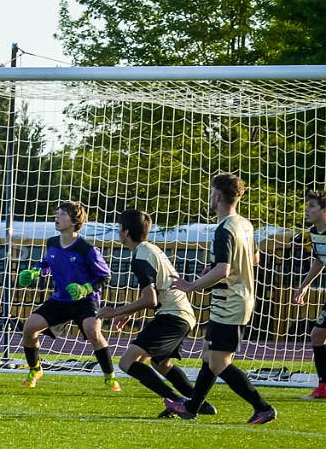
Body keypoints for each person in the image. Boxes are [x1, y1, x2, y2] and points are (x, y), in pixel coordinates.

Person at [164, 174, 276, 424]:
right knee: (207, 355)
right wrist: (215, 267)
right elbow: (254, 259)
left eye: (210, 192)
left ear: (216, 196)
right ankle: (192, 407)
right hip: (236, 298)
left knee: (218, 362)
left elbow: (224, 270)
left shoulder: (224, 229)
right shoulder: (244, 224)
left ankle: (262, 407)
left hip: (230, 302)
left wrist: (190, 285)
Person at [97, 209, 215, 417]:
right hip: (182, 313)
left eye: (118, 228)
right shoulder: (150, 249)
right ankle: (199, 404)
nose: (118, 232)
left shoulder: (141, 256)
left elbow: (150, 300)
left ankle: (178, 402)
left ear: (125, 232)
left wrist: (115, 311)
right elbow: (154, 293)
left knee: (127, 362)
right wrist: (129, 312)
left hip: (173, 315)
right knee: (161, 363)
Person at [17, 201, 119, 391]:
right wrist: (35, 271)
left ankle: (110, 376)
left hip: (85, 301)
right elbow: (47, 264)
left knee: (93, 331)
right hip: (60, 300)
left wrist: (85, 288)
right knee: (29, 328)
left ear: (74, 221)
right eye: (56, 213)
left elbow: (105, 276)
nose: (56, 217)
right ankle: (35, 369)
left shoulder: (86, 249)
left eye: (62, 214)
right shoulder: (52, 242)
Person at [293, 190, 326, 400]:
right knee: (318, 335)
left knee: (318, 334)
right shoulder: (314, 232)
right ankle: (323, 387)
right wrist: (304, 285)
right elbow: (319, 260)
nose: (307, 209)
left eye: (312, 205)